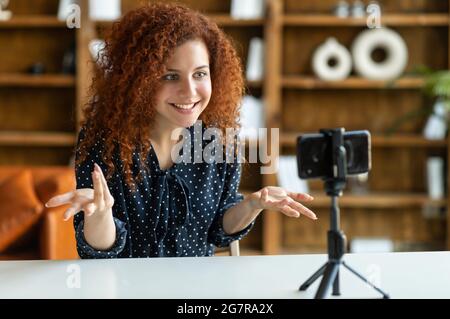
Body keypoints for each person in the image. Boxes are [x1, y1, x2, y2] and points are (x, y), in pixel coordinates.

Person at [45, 2, 317, 259]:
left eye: (200, 74)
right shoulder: (103, 141)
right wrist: (100, 215)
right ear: (140, 81)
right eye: (170, 76)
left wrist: (252, 205)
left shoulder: (219, 138)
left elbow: (219, 231)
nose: (189, 92)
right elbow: (100, 251)